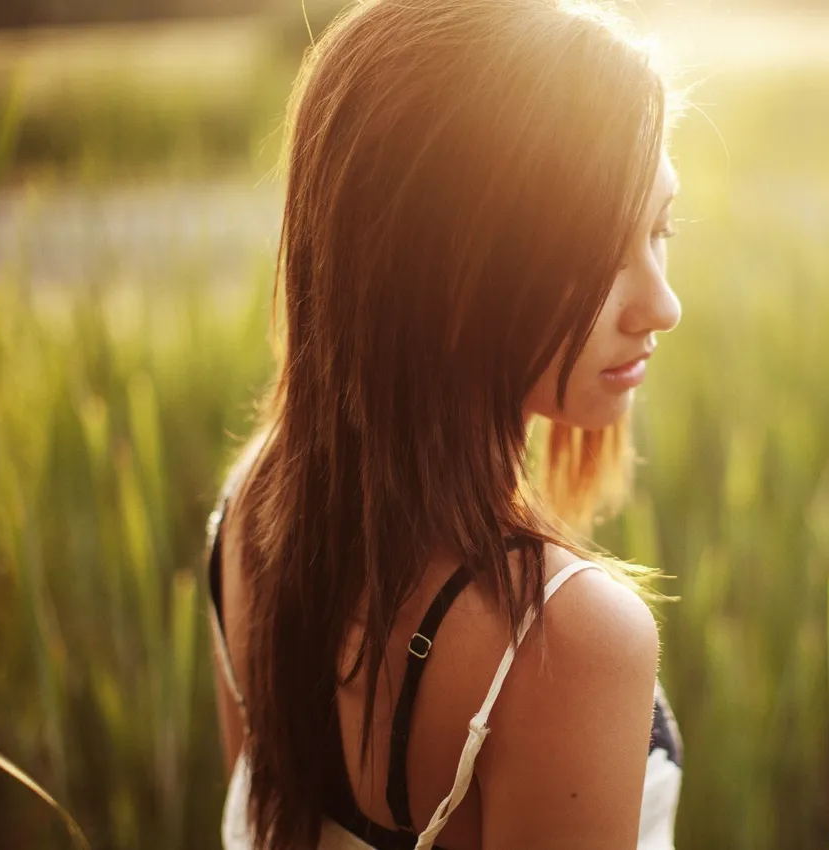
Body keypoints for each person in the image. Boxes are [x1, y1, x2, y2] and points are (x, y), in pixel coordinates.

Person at [203, 1, 684, 848]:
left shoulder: (252, 509)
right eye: (601, 250)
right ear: (445, 266)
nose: (663, 305)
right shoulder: (564, 645)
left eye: (660, 229)